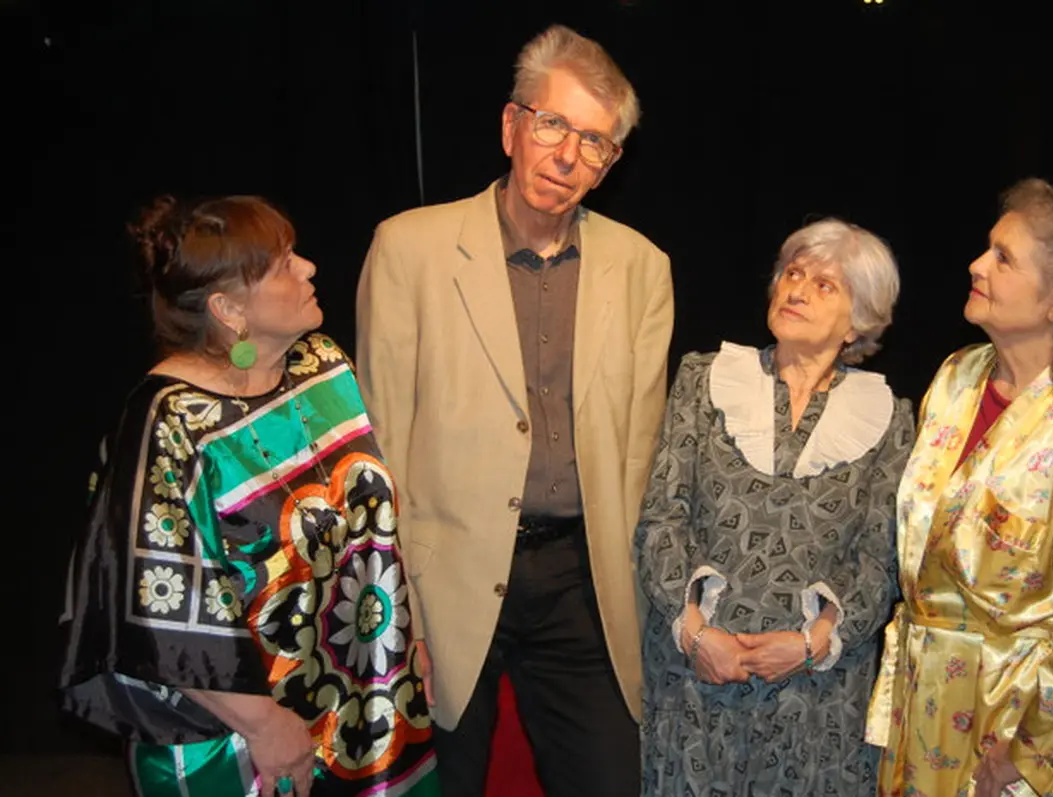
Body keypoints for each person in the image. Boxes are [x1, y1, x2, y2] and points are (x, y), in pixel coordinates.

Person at [354, 23, 672, 797]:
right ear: (511, 125)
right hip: (446, 579)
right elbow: (379, 447)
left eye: (593, 141)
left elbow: (639, 456)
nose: (567, 155)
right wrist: (397, 615)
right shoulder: (409, 249)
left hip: (579, 581)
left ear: (611, 164)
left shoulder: (642, 268)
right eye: (552, 124)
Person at [59, 195, 439, 797]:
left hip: (366, 704)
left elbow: (375, 528)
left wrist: (407, 638)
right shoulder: (168, 424)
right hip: (242, 741)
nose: (310, 268)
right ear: (228, 308)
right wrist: (264, 725)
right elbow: (154, 607)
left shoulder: (323, 366)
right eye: (284, 264)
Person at [867, 179, 1053, 797]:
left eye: (1003, 258)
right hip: (922, 714)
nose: (976, 265)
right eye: (988, 249)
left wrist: (1032, 752)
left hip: (1008, 735)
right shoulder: (957, 378)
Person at [637, 219, 914, 796]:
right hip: (698, 681)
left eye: (825, 286)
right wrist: (695, 633)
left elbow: (881, 557)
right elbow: (663, 516)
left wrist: (814, 642)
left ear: (858, 321)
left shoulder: (889, 416)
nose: (798, 290)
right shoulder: (703, 379)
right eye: (793, 274)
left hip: (816, 699)